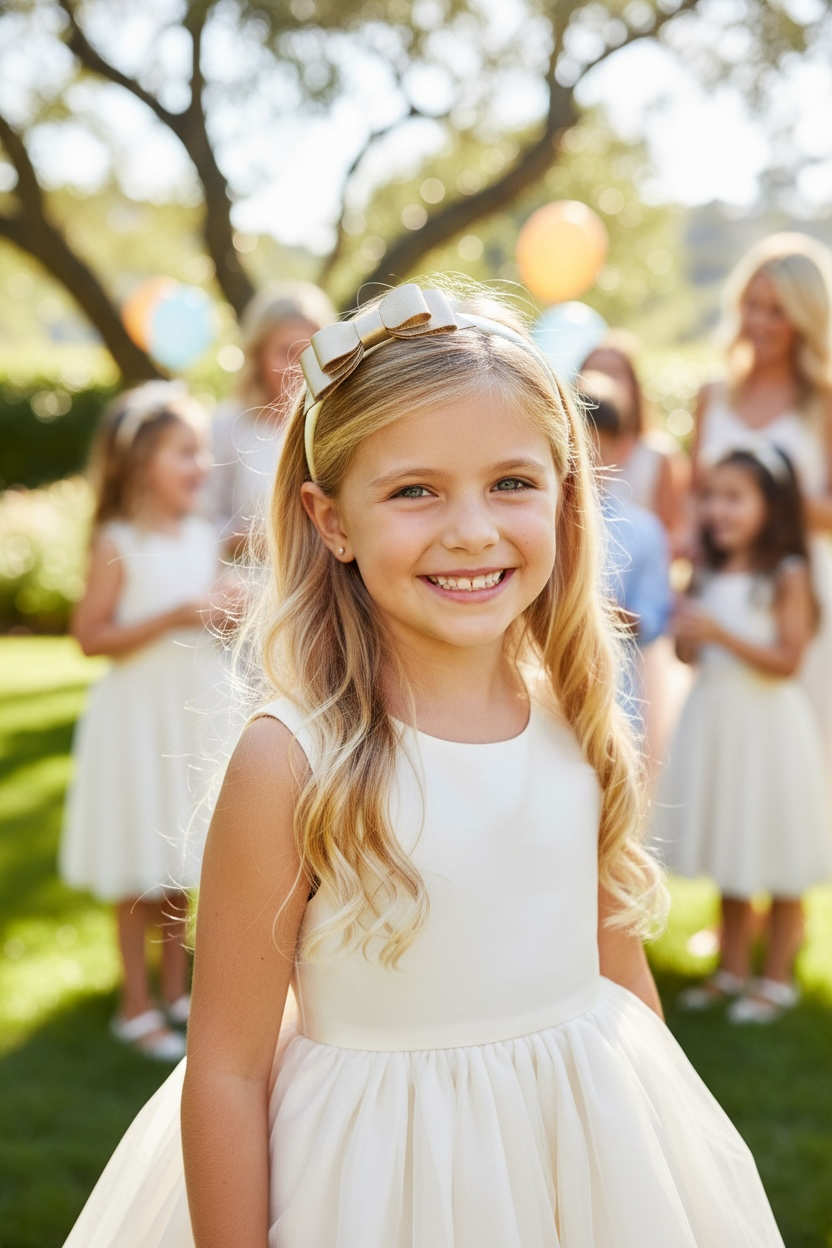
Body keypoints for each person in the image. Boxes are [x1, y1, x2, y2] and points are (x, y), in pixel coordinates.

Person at [63, 283, 784, 1247]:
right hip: (370, 1181)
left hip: (582, 1150)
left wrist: (671, 1142)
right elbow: (228, 1068)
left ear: (568, 491)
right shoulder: (293, 759)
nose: (473, 530)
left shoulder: (575, 714)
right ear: (332, 521)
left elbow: (621, 976)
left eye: (512, 483)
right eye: (415, 490)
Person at [60, 383, 228, 1061]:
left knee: (181, 857)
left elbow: (205, 614)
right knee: (139, 865)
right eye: (185, 451)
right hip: (136, 720)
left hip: (188, 714)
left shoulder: (202, 536)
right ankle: (135, 1004)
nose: (201, 465)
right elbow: (89, 636)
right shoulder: (117, 540)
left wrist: (224, 611)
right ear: (140, 465)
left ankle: (178, 990)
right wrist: (177, 615)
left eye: (203, 451)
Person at [656, 447, 831, 1022]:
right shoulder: (707, 570)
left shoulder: (788, 573)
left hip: (768, 727)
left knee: (775, 850)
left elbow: (787, 659)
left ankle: (775, 978)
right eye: (711, 496)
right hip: (717, 720)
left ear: (770, 507)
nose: (717, 510)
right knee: (731, 841)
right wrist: (688, 626)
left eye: (734, 497)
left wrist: (720, 633)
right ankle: (730, 970)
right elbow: (687, 655)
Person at [692, 233, 832, 763]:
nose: (760, 321)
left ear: (806, 316)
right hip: (725, 585)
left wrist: (768, 500)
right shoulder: (712, 395)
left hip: (804, 590)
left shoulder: (824, 401)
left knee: (809, 749)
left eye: (778, 310)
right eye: (753, 304)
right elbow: (693, 502)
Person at [206, 282, 335, 556]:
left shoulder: (337, 426)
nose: (297, 368)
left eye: (309, 354)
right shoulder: (227, 426)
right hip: (247, 585)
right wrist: (268, 538)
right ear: (258, 355)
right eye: (285, 352)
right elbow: (198, 521)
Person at [579, 373, 671, 732]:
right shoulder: (530, 520)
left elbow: (654, 616)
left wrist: (614, 614)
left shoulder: (644, 531)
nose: (584, 460)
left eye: (597, 447)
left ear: (621, 450)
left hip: (612, 695)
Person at [580, 333, 689, 549]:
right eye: (594, 371)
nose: (603, 380)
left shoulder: (657, 455)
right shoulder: (568, 450)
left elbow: (674, 529)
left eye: (614, 373)